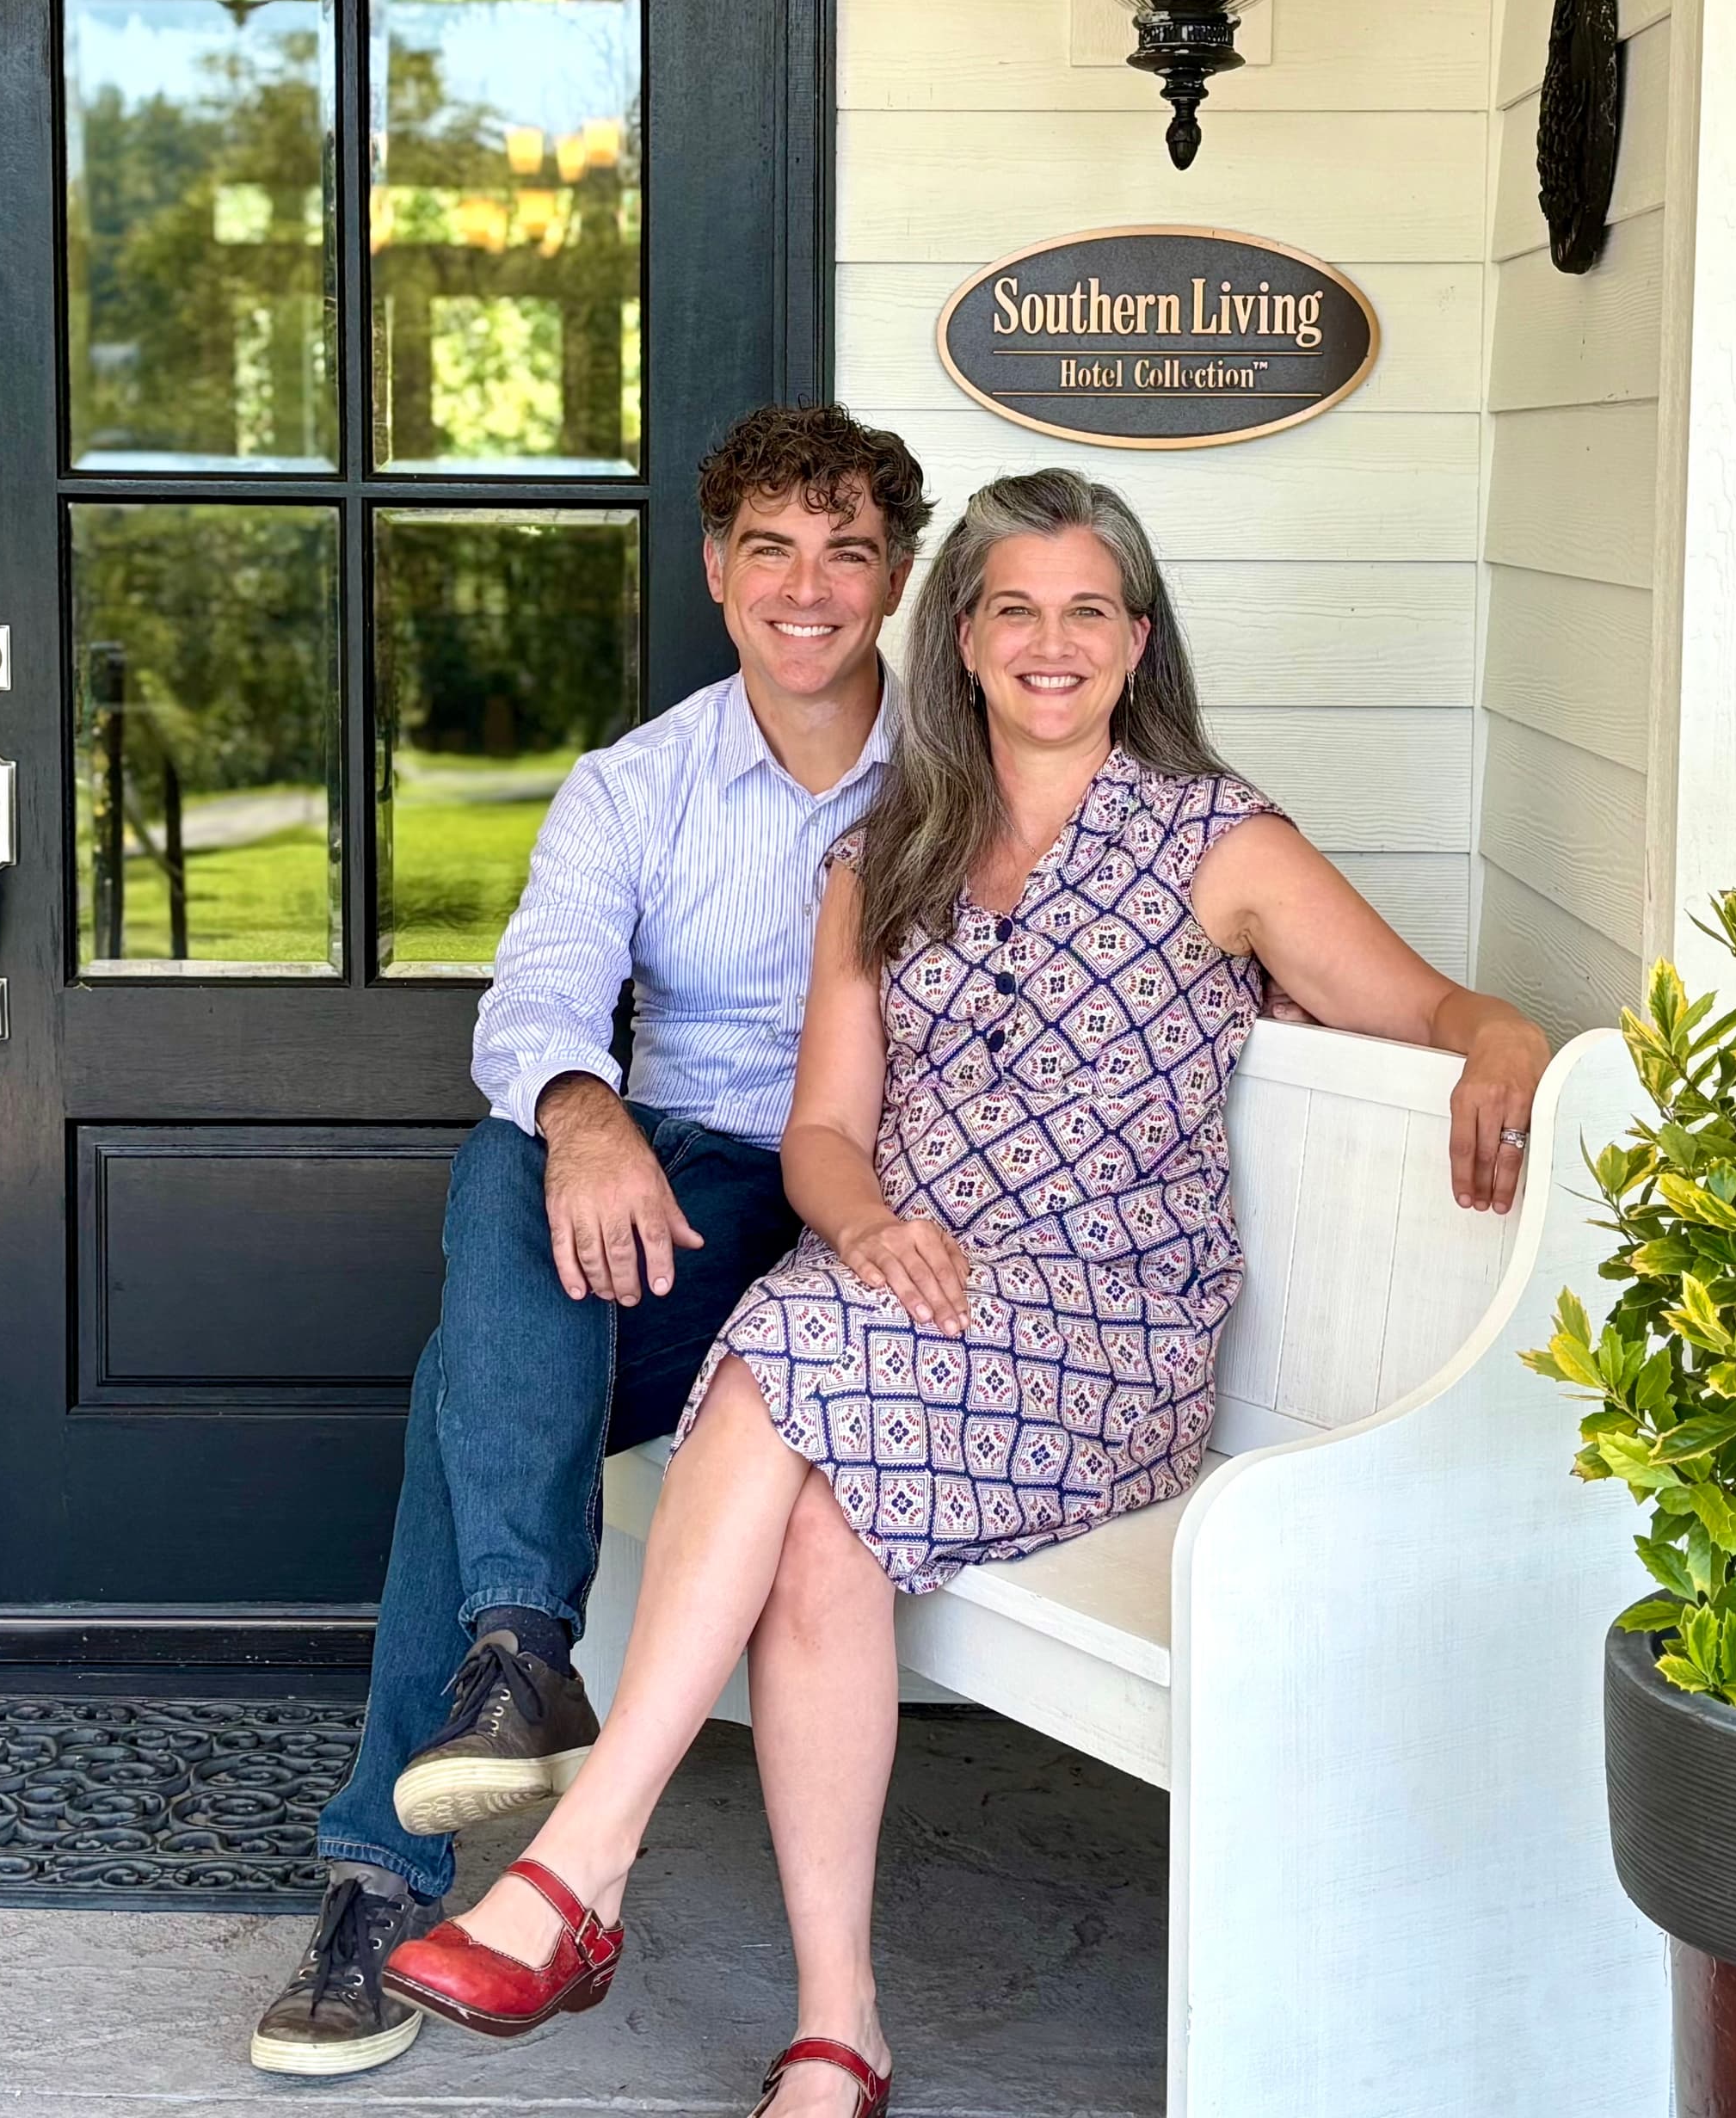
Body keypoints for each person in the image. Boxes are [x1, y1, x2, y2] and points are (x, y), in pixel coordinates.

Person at [377, 469, 1554, 2116]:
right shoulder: (891, 849)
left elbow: (1427, 1005)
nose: (1052, 642)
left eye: (1089, 611)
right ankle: (837, 2027)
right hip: (904, 1297)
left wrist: (1502, 1037)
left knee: (779, 1363)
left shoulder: (1227, 844)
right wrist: (864, 1228)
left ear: (1137, 642)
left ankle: (584, 1862)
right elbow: (827, 1136)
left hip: (1104, 1326)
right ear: (967, 634)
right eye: (1017, 608)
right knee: (811, 1495)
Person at [249, 404, 933, 2078]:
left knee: (458, 1386)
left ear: (897, 575)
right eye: (772, 546)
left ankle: (413, 1812)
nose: (809, 586)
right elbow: (544, 987)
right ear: (717, 571)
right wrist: (586, 1110)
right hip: (685, 1195)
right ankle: (506, 1667)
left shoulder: (967, 772)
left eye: (848, 549)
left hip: (865, 1208)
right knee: (518, 1151)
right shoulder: (641, 782)